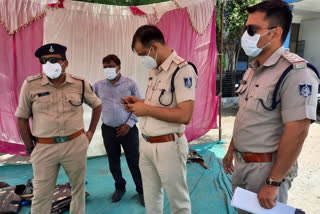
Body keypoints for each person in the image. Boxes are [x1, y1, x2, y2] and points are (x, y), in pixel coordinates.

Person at [222, 1, 319, 213]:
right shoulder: (253, 68)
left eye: (252, 29)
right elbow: (245, 115)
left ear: (275, 33)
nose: (245, 34)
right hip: (242, 165)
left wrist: (273, 182)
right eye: (245, 29)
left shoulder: (296, 72)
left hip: (266, 171)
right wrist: (231, 150)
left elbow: (297, 132)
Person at [15, 43, 102, 214]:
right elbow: (22, 118)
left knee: (78, 191)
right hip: (44, 148)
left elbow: (97, 105)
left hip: (75, 145)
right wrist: (30, 147)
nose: (49, 64)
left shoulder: (80, 84)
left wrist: (90, 133)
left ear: (65, 63)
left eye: (54, 60)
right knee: (41, 195)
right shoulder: (31, 85)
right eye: (44, 61)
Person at [123, 25, 197, 214]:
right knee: (151, 197)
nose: (141, 59)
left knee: (178, 201)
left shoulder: (183, 70)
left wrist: (145, 109)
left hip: (169, 146)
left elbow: (184, 115)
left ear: (154, 47)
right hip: (146, 143)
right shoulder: (154, 70)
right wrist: (139, 102)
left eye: (142, 54)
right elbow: (160, 104)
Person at [92, 54, 144, 205]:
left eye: (111, 66)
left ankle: (141, 190)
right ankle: (120, 187)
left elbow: (139, 106)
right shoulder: (98, 85)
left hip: (129, 129)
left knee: (134, 161)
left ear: (119, 67)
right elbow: (89, 98)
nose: (108, 69)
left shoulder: (130, 84)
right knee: (113, 161)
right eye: (105, 67)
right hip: (108, 129)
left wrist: (128, 125)